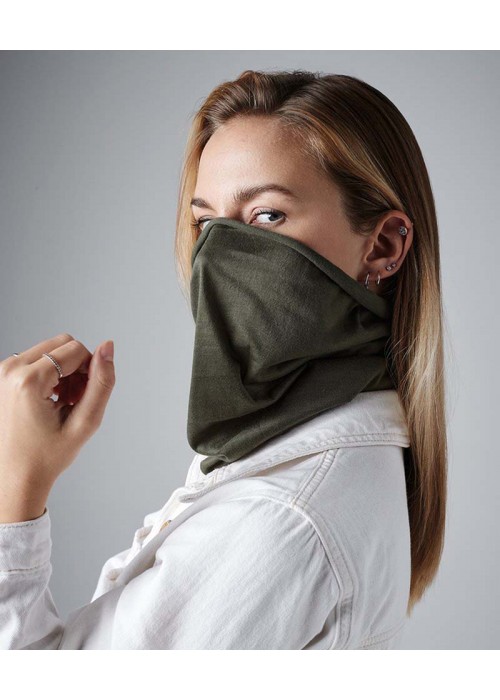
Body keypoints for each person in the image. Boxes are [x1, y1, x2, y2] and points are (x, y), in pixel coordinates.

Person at [0, 70, 448, 649]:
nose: (218, 254)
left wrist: (15, 487)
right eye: (207, 222)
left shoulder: (277, 520)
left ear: (383, 246)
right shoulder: (302, 458)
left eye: (267, 216)